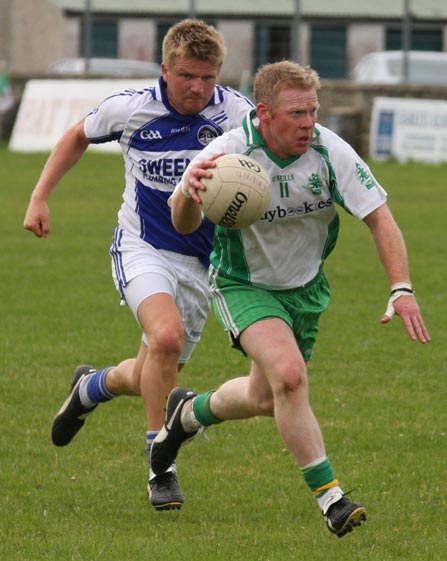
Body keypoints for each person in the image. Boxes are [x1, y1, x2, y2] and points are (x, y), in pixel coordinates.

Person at [150, 60, 431, 537]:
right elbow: (182, 224)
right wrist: (190, 196)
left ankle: (187, 414)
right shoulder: (227, 153)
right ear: (263, 112)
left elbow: (380, 217)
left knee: (266, 396)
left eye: (313, 111)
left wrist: (400, 288)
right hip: (243, 283)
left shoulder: (328, 149)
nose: (308, 123)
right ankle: (332, 498)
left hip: (305, 289)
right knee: (290, 376)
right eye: (297, 113)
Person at [23, 19, 253, 511]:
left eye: (208, 77)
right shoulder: (130, 108)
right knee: (166, 339)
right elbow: (75, 137)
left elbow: (271, 160)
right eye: (188, 75)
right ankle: (160, 467)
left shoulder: (236, 113)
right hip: (143, 246)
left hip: (203, 262)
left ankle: (90, 387)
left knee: (151, 370)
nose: (198, 88)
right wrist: (39, 198)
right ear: (164, 69)